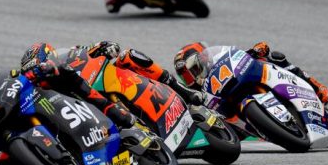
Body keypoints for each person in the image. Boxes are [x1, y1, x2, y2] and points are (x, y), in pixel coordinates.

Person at [22, 41, 204, 108]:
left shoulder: (70, 53)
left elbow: (92, 49)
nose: (43, 71)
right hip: (85, 104)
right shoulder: (44, 94)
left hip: (99, 79)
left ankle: (181, 90)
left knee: (128, 56)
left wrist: (106, 47)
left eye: (42, 65)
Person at [173, 41, 328, 104]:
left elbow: (243, 55)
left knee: (275, 58)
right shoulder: (196, 96)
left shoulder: (222, 58)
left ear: (203, 58)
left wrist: (255, 51)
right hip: (237, 121)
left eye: (193, 70)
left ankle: (315, 87)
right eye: (185, 76)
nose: (191, 78)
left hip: (243, 78)